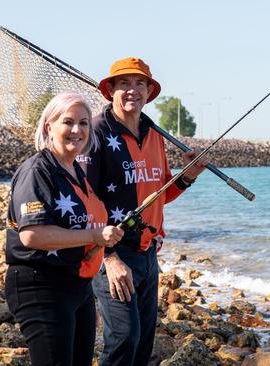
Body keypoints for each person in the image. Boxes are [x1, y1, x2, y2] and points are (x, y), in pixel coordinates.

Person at [82, 57, 207, 365]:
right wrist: (108, 258)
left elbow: (160, 194)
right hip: (111, 252)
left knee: (142, 344)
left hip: (148, 253)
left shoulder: (154, 134)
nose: (132, 91)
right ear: (110, 89)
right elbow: (83, 201)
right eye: (123, 83)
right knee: (123, 339)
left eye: (140, 84)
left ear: (150, 91)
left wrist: (188, 175)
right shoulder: (96, 132)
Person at [4, 93, 124, 365]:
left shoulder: (75, 170)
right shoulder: (37, 170)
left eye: (83, 123)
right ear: (49, 127)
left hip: (77, 285)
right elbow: (32, 235)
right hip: (41, 284)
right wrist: (94, 235)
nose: (76, 130)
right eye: (67, 122)